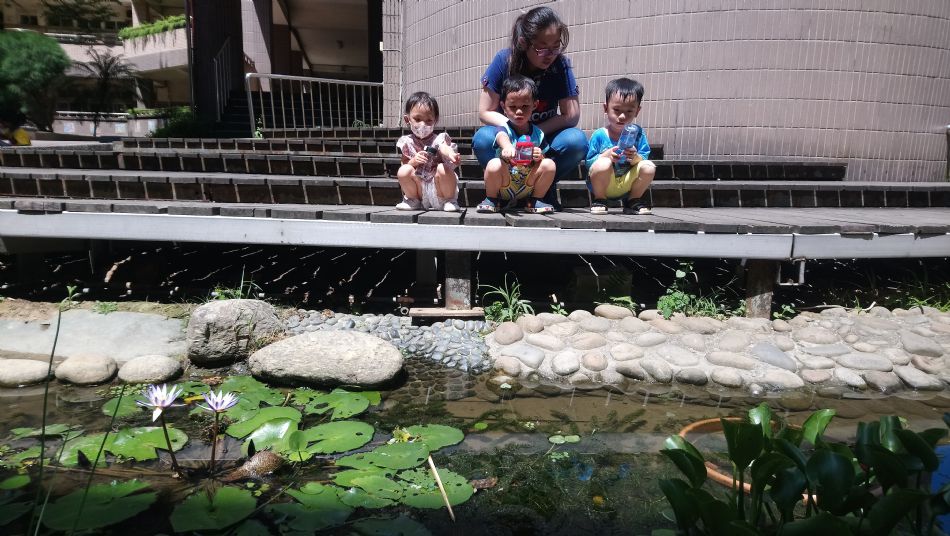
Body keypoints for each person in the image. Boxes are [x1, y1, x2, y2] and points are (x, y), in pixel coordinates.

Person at [474, 6, 586, 208]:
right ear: (523, 42)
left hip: (542, 138)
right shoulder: (504, 61)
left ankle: (541, 190)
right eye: (542, 48)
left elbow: (571, 115)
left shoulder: (560, 66)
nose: (550, 55)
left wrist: (535, 133)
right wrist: (514, 130)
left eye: (556, 47)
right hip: (506, 136)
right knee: (482, 139)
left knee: (576, 141)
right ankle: (501, 189)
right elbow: (485, 111)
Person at [476, 76, 556, 214]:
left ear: (535, 105)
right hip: (505, 182)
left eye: (525, 106)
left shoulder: (538, 134)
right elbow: (501, 136)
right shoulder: (504, 129)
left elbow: (543, 158)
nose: (519, 111)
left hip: (528, 183)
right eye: (513, 107)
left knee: (549, 164)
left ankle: (535, 199)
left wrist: (539, 156)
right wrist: (507, 147)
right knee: (494, 164)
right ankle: (492, 199)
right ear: (503, 107)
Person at [585, 78, 657, 215]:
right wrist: (605, 156)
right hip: (604, 183)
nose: (622, 116)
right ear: (606, 108)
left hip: (627, 183)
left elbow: (644, 157)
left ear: (637, 111)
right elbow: (589, 164)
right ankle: (600, 199)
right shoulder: (600, 135)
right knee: (603, 163)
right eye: (617, 110)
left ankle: (633, 200)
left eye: (629, 111)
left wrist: (635, 157)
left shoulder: (638, 134)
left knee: (649, 167)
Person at [394, 92, 461, 211]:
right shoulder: (407, 142)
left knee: (443, 168)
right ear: (407, 119)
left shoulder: (438, 139)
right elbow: (404, 164)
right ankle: (413, 200)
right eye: (417, 119)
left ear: (435, 120)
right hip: (420, 190)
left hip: (439, 189)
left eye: (428, 120)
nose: (423, 125)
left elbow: (443, 147)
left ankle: (450, 200)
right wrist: (414, 161)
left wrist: (451, 154)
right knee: (404, 170)